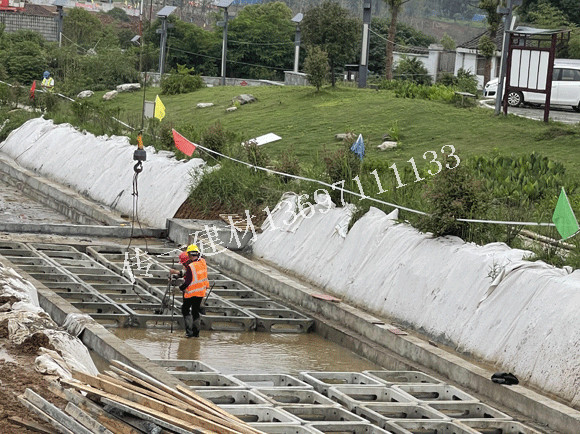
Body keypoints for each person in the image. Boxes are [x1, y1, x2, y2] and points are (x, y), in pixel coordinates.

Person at [170, 245, 209, 338]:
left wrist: (180, 288)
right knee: (195, 311)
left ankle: (189, 333)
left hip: (190, 292)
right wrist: (178, 274)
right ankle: (196, 333)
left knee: (185, 310)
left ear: (189, 255)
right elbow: (192, 273)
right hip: (201, 292)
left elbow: (188, 281)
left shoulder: (191, 266)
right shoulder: (203, 262)